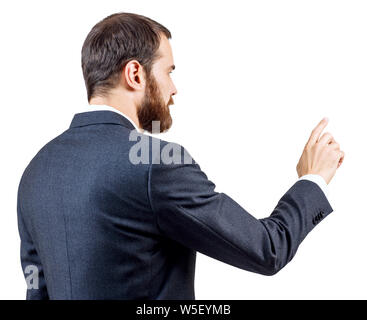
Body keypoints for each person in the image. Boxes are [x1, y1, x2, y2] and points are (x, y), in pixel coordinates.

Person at [16, 12, 345, 300]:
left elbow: (37, 291)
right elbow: (266, 249)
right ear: (135, 74)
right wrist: (313, 179)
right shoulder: (155, 163)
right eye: (169, 71)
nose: (174, 88)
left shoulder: (36, 172)